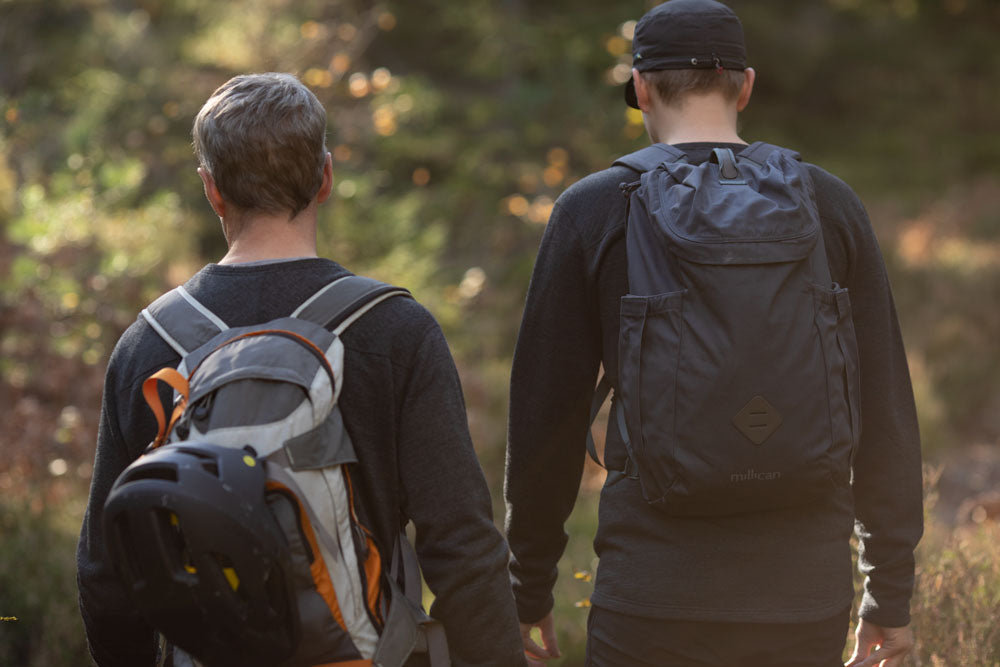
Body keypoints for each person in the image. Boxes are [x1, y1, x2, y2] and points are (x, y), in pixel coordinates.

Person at [504, 1, 923, 666]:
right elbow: (884, 409)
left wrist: (526, 590)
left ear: (640, 89)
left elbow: (544, 424)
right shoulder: (830, 203)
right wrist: (888, 594)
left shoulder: (593, 209)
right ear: (746, 85)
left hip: (650, 594)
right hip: (803, 596)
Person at [77, 72, 527, 667]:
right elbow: (463, 546)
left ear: (211, 190)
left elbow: (107, 570)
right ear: (326, 177)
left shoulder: (147, 343)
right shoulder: (396, 329)